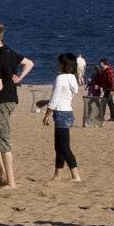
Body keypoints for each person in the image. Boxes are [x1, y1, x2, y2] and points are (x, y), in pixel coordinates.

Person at [0, 22, 34, 188]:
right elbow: (29, 63)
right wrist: (20, 77)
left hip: (2, 101)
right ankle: (3, 175)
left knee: (3, 141)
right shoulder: (10, 51)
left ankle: (12, 182)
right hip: (10, 99)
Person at [44, 53, 81, 182]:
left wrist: (47, 115)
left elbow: (55, 99)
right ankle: (57, 175)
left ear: (64, 64)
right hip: (68, 113)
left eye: (59, 62)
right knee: (59, 146)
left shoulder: (61, 78)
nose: (57, 64)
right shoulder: (72, 78)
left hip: (61, 114)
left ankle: (76, 176)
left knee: (64, 147)